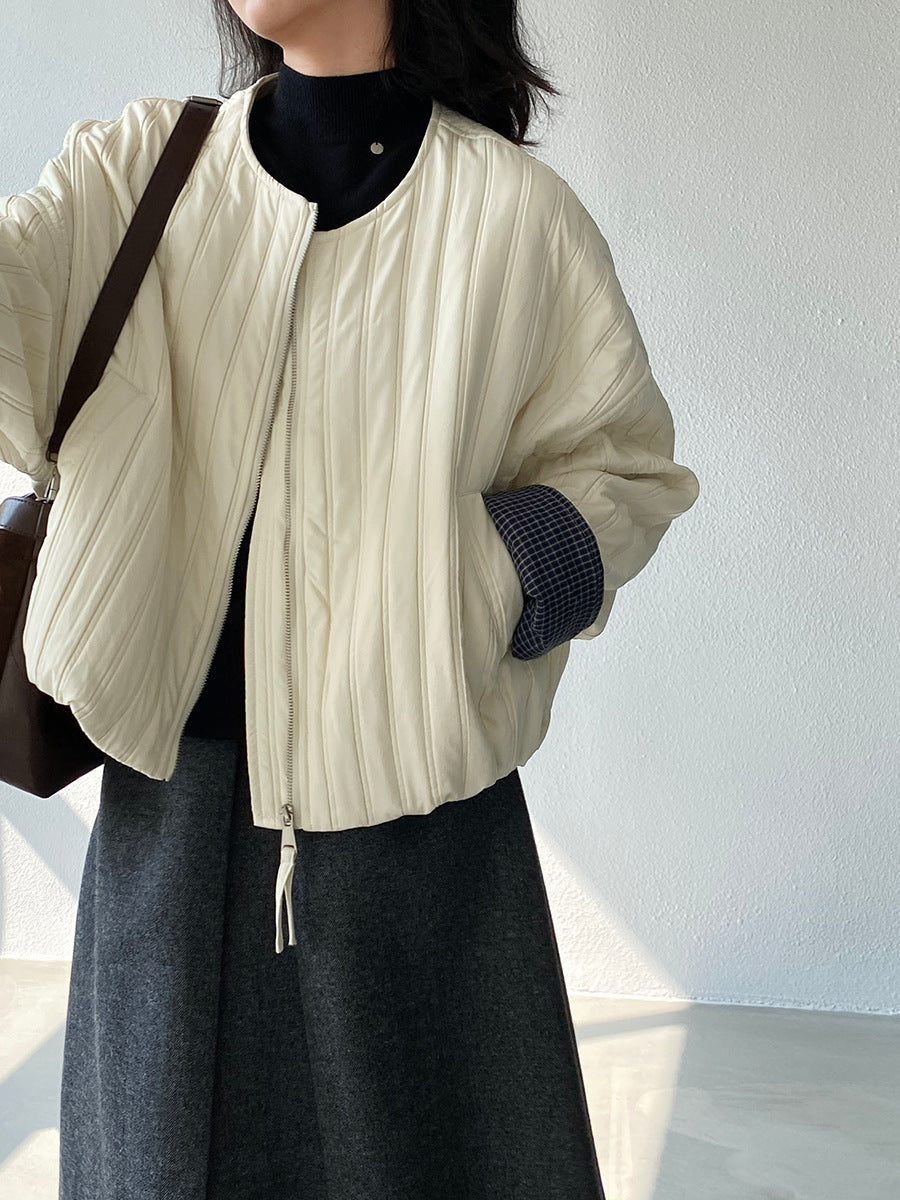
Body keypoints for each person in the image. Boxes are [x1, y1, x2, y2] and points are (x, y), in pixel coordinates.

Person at [0, 1, 700, 1196]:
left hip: (419, 830)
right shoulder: (136, 173)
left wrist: (477, 583)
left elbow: (623, 469)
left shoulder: (511, 216)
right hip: (170, 817)